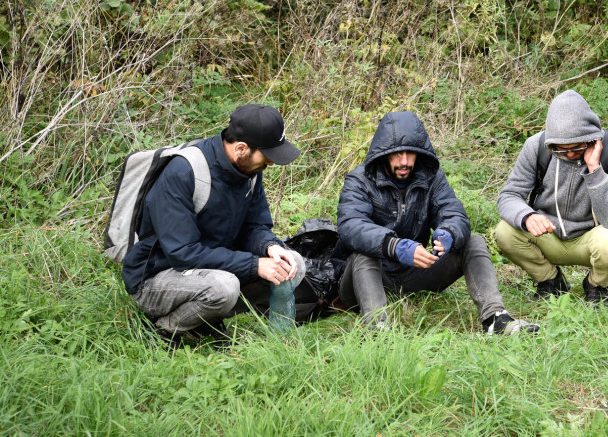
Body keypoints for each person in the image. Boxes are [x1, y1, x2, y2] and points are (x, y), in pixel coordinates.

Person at [334, 111, 538, 335]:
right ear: (383, 153)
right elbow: (351, 226)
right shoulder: (360, 179)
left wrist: (448, 233)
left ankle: (495, 319)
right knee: (364, 253)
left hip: (414, 272)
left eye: (410, 153)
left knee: (474, 241)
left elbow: (454, 214)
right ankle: (377, 329)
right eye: (397, 154)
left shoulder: (431, 176)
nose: (404, 161)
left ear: (419, 153)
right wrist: (394, 245)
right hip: (366, 279)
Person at [122, 104, 308, 346]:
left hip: (211, 269)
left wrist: (270, 247)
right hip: (156, 278)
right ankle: (165, 329)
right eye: (268, 156)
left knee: (294, 266)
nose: (271, 164)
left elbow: (254, 226)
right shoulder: (183, 173)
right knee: (224, 288)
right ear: (241, 148)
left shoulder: (249, 170)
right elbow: (183, 253)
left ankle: (263, 338)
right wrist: (254, 265)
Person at [494, 90, 608, 306]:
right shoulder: (535, 146)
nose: (569, 154)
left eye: (576, 148)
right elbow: (509, 196)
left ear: (591, 138)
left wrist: (595, 169)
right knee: (505, 231)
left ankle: (596, 286)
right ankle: (550, 281)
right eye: (560, 149)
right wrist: (527, 216)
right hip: (548, 235)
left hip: (591, 239)